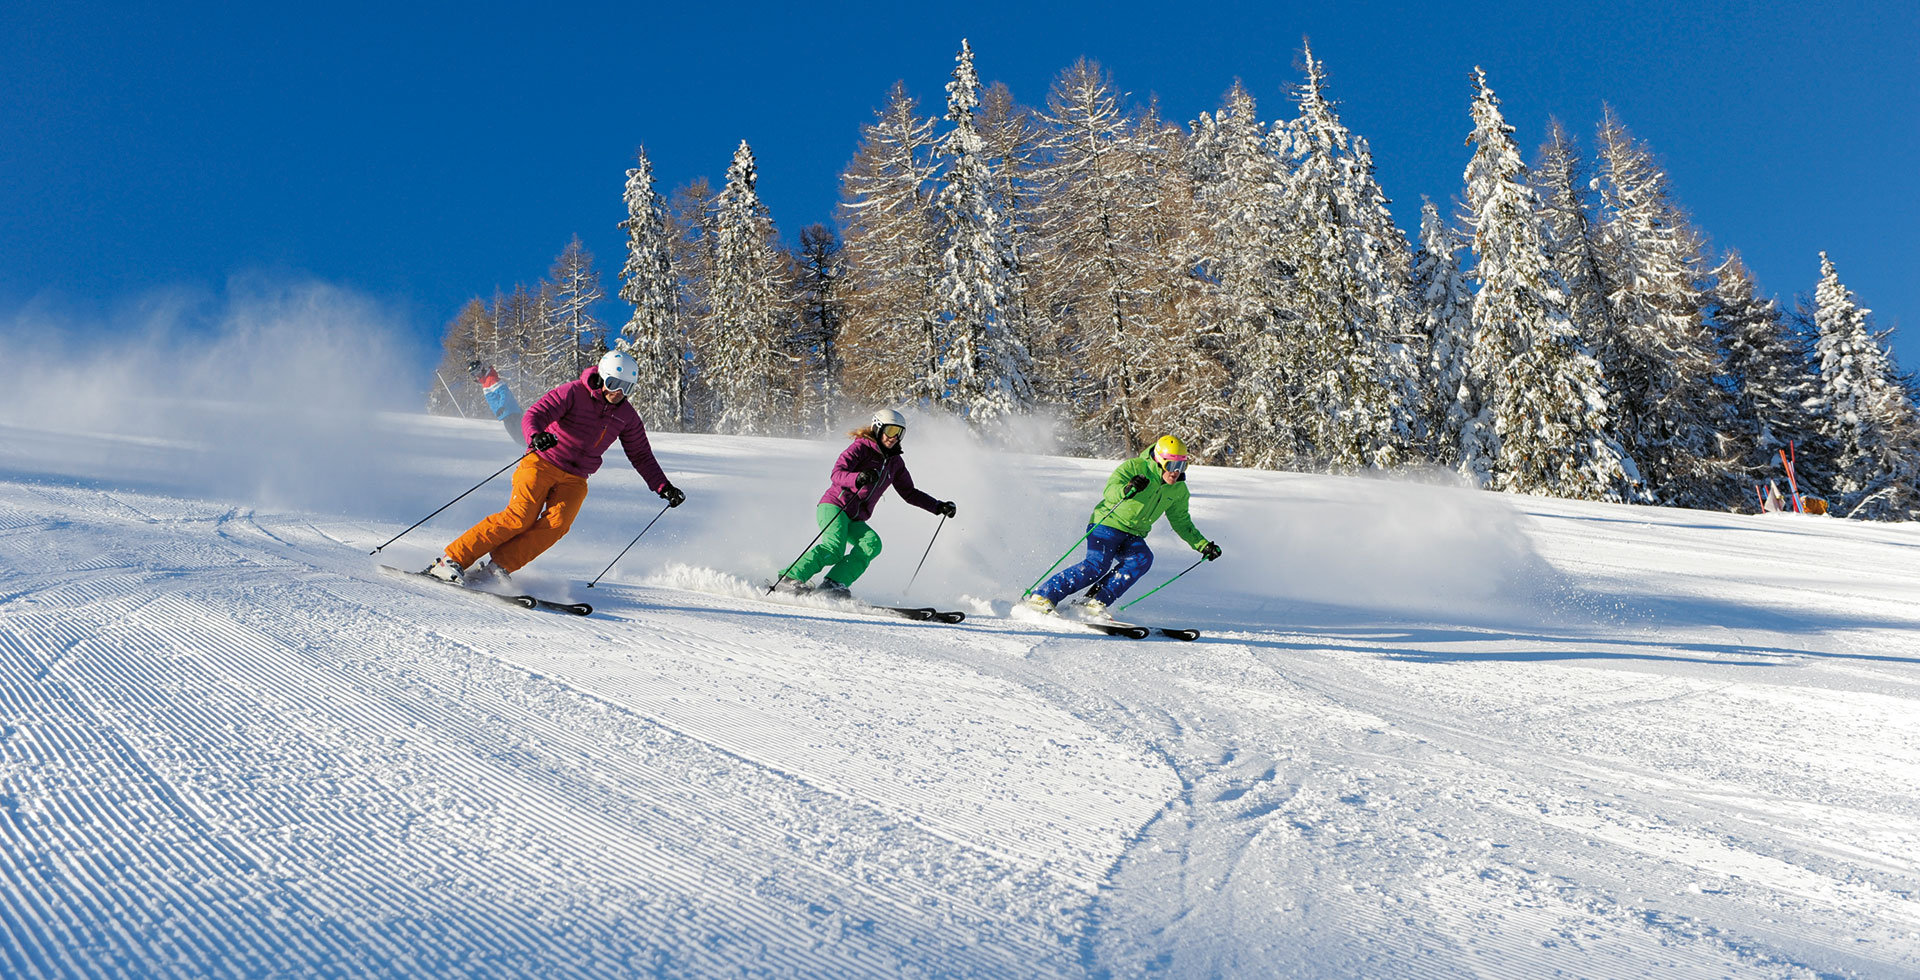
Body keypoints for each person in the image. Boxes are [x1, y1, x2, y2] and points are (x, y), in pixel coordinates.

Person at [428, 351, 685, 587]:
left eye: (626, 387)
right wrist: (536, 436)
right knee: (520, 516)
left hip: (575, 478)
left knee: (558, 524)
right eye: (614, 383)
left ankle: (498, 567)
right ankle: (452, 560)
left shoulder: (626, 416)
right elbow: (534, 415)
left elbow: (640, 454)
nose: (618, 392)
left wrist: (663, 486)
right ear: (602, 377)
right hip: (542, 462)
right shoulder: (573, 392)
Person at [1023, 435, 1221, 620]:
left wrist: (1202, 545)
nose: (1176, 471)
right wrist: (1127, 489)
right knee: (1097, 564)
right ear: (1160, 460)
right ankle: (1042, 596)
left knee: (1141, 559)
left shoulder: (1178, 490)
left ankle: (1092, 602)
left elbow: (1181, 522)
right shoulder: (1135, 468)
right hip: (1107, 523)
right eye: (1172, 464)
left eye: (1182, 465)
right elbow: (1110, 491)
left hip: (1133, 533)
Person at [775, 409, 955, 599]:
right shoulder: (861, 448)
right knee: (834, 549)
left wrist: (937, 506)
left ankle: (834, 583)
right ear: (878, 428)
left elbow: (909, 493)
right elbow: (837, 473)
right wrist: (859, 477)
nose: (895, 437)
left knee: (871, 544)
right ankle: (790, 577)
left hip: (855, 516)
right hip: (835, 505)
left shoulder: (895, 463)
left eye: (900, 433)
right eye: (891, 431)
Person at [468, 360, 524, 443]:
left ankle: (534, 450)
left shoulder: (491, 379)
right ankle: (530, 449)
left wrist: (501, 406)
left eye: (477, 372)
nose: (476, 375)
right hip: (506, 414)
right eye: (473, 374)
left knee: (519, 436)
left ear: (481, 369)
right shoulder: (486, 381)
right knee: (517, 437)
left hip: (510, 413)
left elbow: (504, 393)